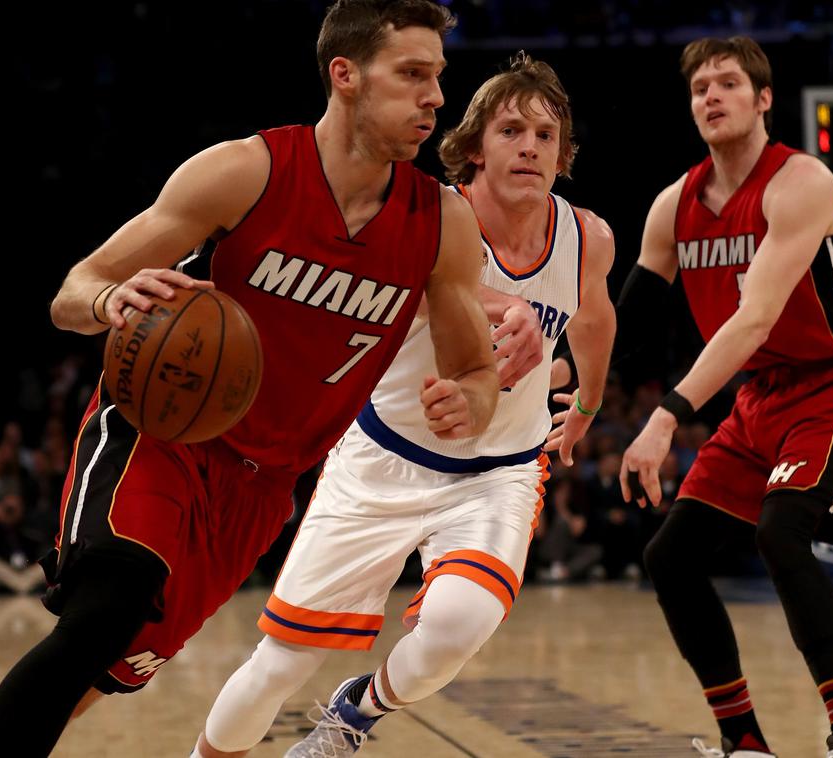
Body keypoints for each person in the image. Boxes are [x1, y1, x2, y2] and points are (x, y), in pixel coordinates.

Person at [0, 2, 527, 756]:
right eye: (412, 74)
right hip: (165, 436)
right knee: (109, 605)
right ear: (346, 76)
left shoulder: (440, 222)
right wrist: (109, 299)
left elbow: (474, 371)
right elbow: (74, 291)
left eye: (438, 77)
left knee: (112, 666)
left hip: (262, 489)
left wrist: (468, 399)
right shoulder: (246, 173)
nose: (434, 96)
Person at [191, 52, 616, 758]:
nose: (531, 148)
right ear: (475, 145)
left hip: (499, 470)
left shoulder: (587, 238)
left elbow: (595, 320)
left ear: (563, 152)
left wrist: (589, 406)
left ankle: (356, 714)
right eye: (512, 131)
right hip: (384, 457)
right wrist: (496, 303)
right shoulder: (427, 215)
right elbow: (419, 277)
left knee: (458, 625)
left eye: (547, 135)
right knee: (279, 666)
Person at [617, 36, 833, 758]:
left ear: (764, 99)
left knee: (782, 528)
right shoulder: (672, 205)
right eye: (700, 87)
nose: (711, 96)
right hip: (759, 397)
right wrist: (566, 387)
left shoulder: (800, 181)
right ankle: (744, 743)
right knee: (669, 556)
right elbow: (626, 325)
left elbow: (755, 317)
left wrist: (667, 415)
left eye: (729, 83)